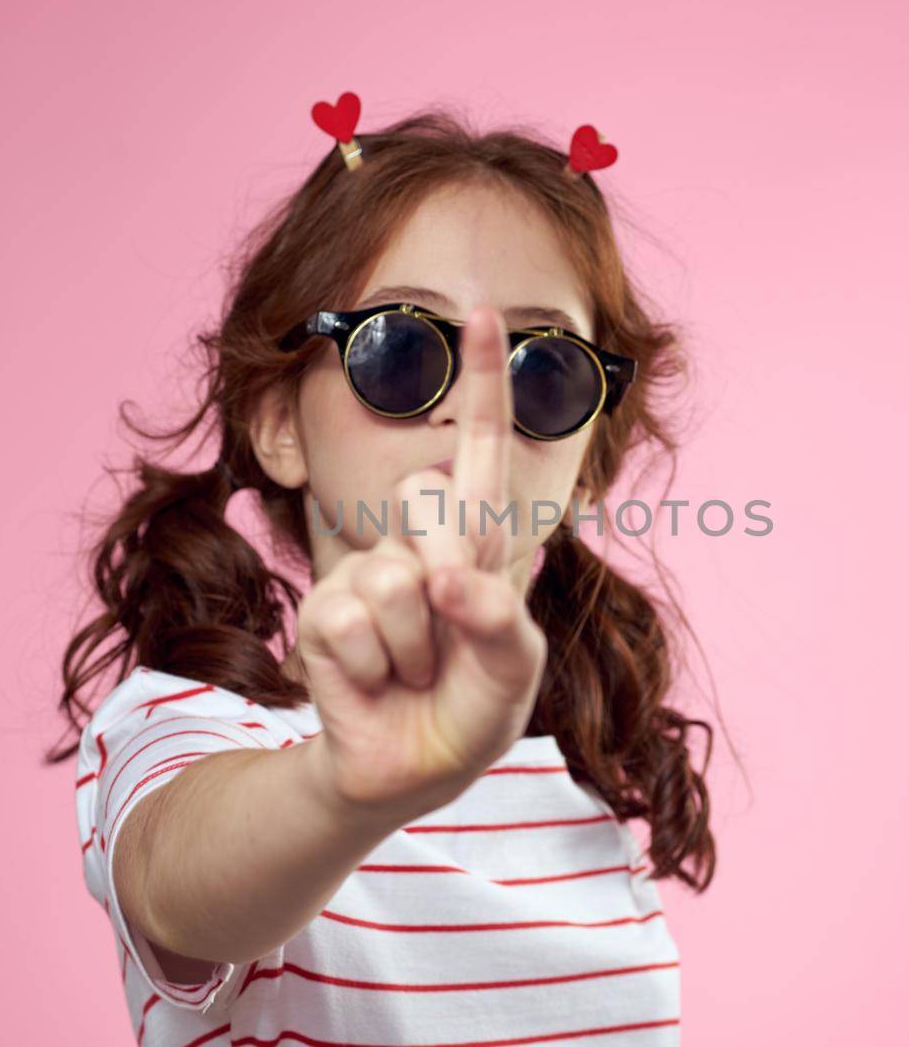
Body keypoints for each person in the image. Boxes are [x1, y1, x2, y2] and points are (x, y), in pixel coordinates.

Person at [46, 99, 720, 1046]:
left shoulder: (582, 791)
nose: (469, 411)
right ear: (280, 421)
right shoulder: (180, 729)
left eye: (543, 372)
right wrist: (345, 786)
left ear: (584, 464)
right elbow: (181, 881)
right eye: (401, 350)